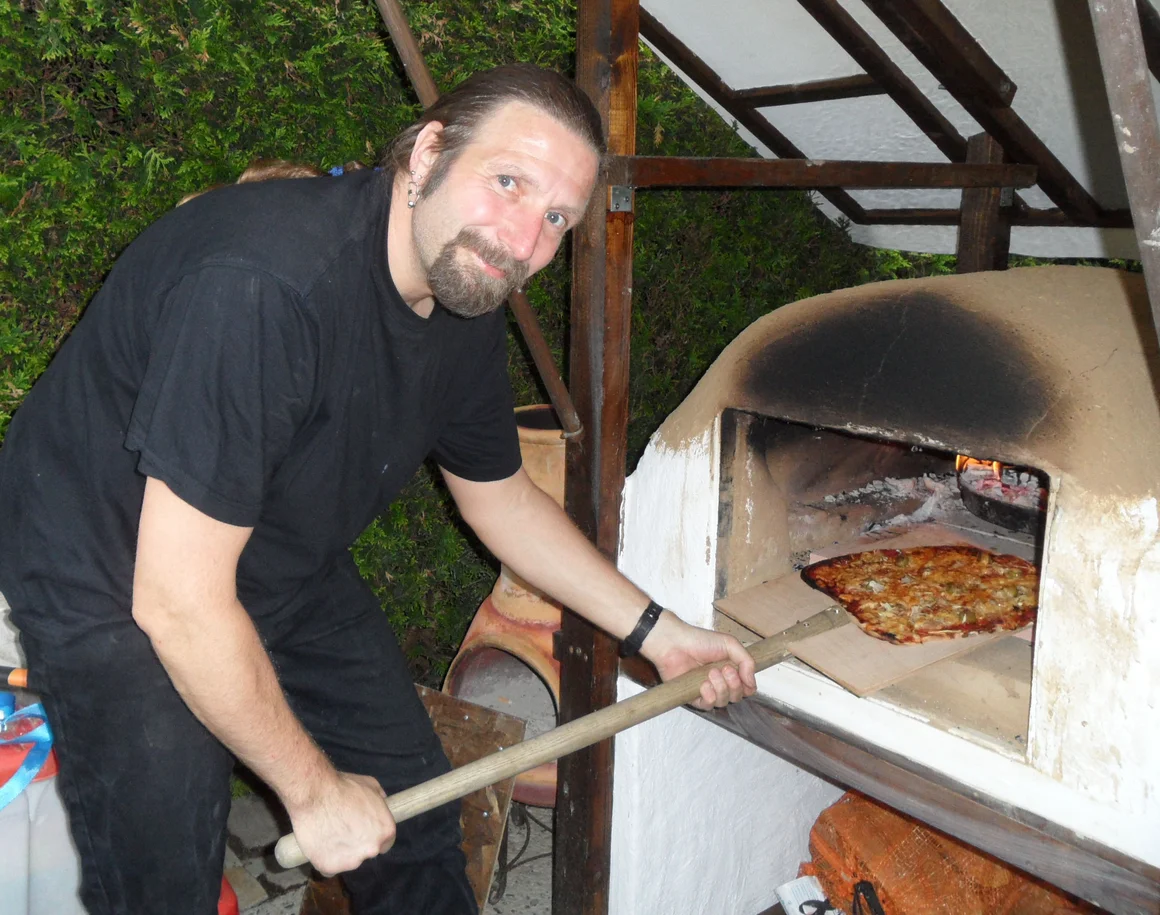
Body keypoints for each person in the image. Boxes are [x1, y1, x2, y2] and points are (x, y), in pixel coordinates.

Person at [0, 64, 756, 915]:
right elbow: (178, 602)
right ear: (429, 150)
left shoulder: (465, 295)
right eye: (508, 182)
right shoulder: (266, 284)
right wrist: (313, 791)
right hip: (111, 566)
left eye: (555, 218)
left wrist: (659, 632)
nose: (522, 240)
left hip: (269, 551)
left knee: (415, 817)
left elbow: (500, 498)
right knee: (165, 874)